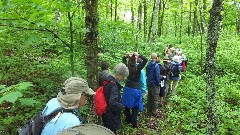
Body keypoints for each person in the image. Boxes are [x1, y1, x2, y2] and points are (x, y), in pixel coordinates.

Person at [121, 52, 148, 128]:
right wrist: (139, 55)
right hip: (135, 89)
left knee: (127, 104)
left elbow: (123, 59)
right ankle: (133, 122)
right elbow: (146, 60)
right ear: (135, 61)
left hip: (127, 88)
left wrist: (126, 56)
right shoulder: (138, 68)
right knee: (135, 106)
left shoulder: (126, 67)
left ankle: (128, 119)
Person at [102, 63, 129, 134]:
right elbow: (112, 102)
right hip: (111, 115)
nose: (123, 79)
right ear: (117, 74)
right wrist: (121, 106)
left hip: (105, 112)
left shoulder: (107, 80)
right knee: (111, 132)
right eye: (123, 76)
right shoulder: (114, 85)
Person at [146, 53, 161, 117]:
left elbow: (147, 74)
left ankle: (149, 110)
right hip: (154, 84)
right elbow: (157, 75)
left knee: (149, 96)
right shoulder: (156, 65)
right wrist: (159, 83)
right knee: (155, 98)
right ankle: (154, 112)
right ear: (156, 57)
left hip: (149, 83)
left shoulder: (148, 64)